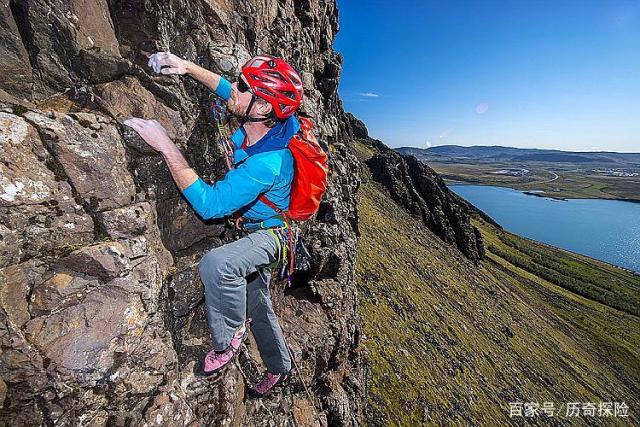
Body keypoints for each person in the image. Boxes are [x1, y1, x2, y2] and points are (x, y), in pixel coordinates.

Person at [124, 52, 305, 398]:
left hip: (271, 235)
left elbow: (211, 206)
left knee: (218, 265)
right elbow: (232, 95)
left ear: (264, 108)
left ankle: (228, 339)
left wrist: (165, 146)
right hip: (260, 230)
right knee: (257, 301)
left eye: (243, 85)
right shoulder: (267, 124)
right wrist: (187, 66)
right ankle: (279, 367)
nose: (233, 88)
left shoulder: (268, 163)